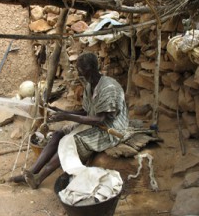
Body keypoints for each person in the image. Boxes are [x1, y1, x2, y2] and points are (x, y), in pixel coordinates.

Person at [8, 52, 129, 189]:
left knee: (70, 142)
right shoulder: (90, 85)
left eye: (80, 70)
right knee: (59, 134)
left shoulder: (108, 88)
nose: (78, 73)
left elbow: (100, 119)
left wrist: (67, 117)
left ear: (89, 69)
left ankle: (39, 178)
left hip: (110, 129)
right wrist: (62, 112)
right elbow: (85, 112)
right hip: (96, 123)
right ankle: (32, 172)